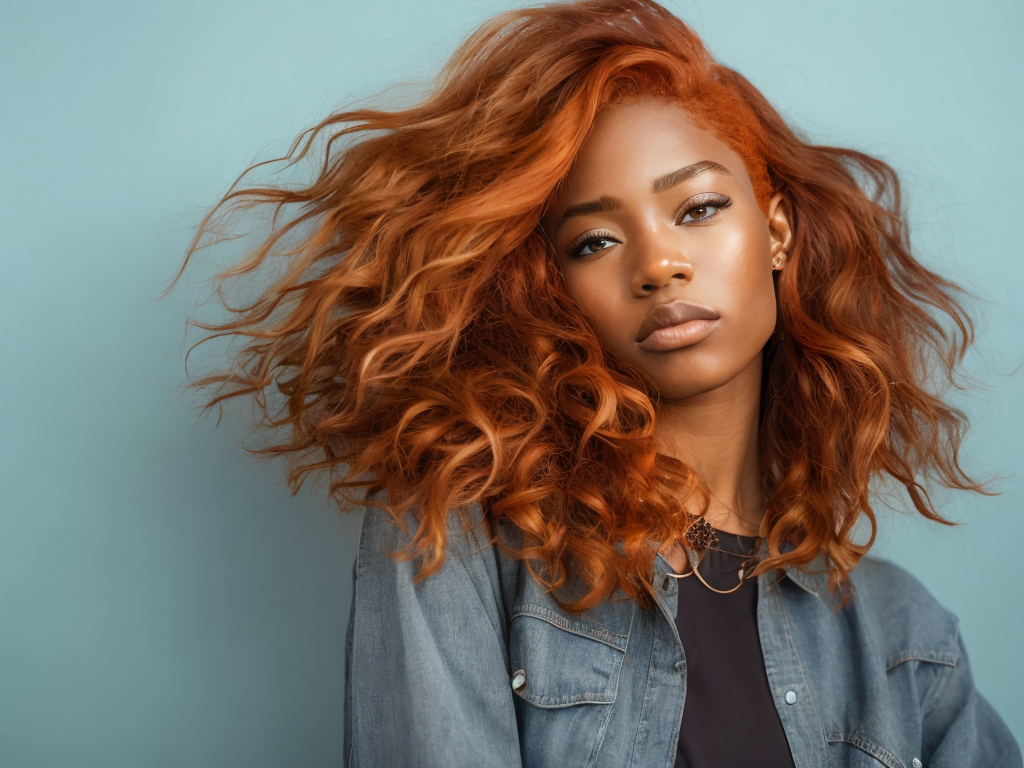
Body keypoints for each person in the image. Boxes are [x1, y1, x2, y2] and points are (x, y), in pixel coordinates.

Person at [169, 0, 1022, 765]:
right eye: (595, 242)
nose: (658, 264)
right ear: (553, 291)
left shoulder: (905, 643)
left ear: (777, 233)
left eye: (698, 208)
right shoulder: (456, 539)